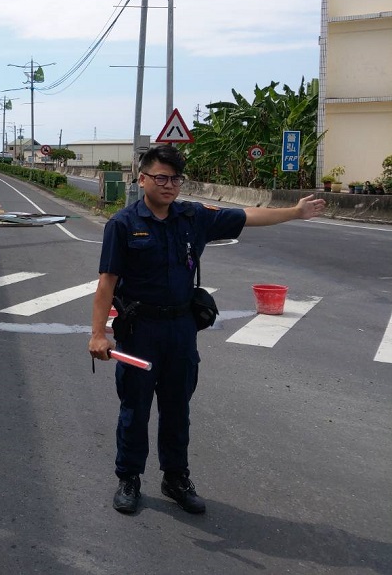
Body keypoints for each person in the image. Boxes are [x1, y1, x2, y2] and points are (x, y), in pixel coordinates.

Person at [88, 144, 326, 516]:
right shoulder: (123, 224)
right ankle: (129, 478)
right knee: (134, 408)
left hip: (182, 329)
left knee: (177, 407)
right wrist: (98, 333)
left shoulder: (192, 217)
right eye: (161, 177)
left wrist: (294, 213)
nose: (169, 185)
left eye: (176, 179)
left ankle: (176, 478)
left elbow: (245, 215)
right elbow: (107, 282)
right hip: (139, 330)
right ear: (143, 179)